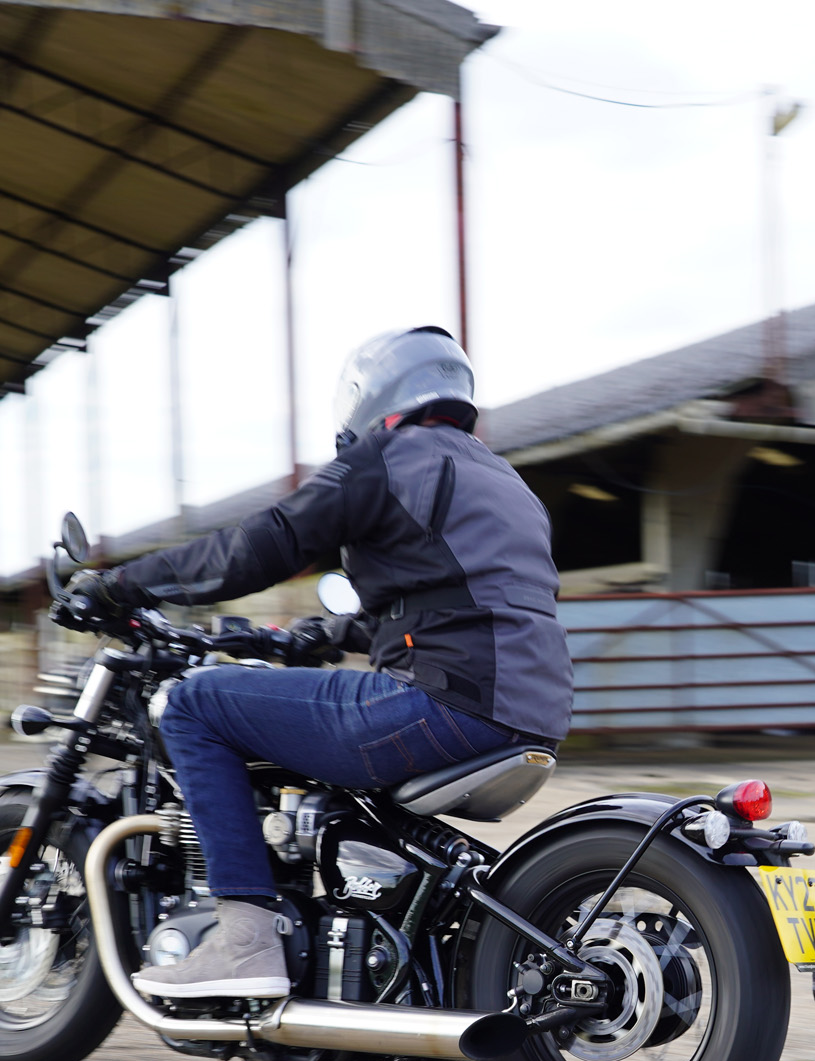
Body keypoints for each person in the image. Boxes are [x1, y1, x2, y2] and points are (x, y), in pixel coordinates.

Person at [77, 327, 572, 1000]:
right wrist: (308, 636)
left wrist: (123, 584)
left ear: (371, 396)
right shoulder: (498, 476)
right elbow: (449, 596)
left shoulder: (389, 456)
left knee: (196, 703)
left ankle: (246, 942)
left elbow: (263, 545)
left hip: (443, 701)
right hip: (529, 711)